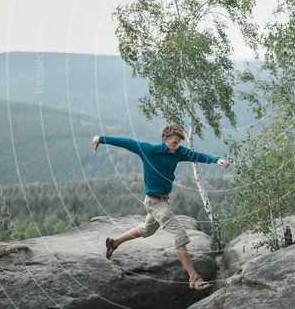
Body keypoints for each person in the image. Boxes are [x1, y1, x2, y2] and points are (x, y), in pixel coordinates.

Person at [92, 123, 230, 290]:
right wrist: (101, 139)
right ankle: (194, 278)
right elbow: (126, 142)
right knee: (179, 234)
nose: (177, 146)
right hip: (153, 202)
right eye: (174, 142)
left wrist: (217, 160)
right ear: (165, 139)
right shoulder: (149, 150)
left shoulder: (178, 152)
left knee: (146, 230)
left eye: (179, 142)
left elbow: (196, 155)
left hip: (163, 201)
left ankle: (114, 243)